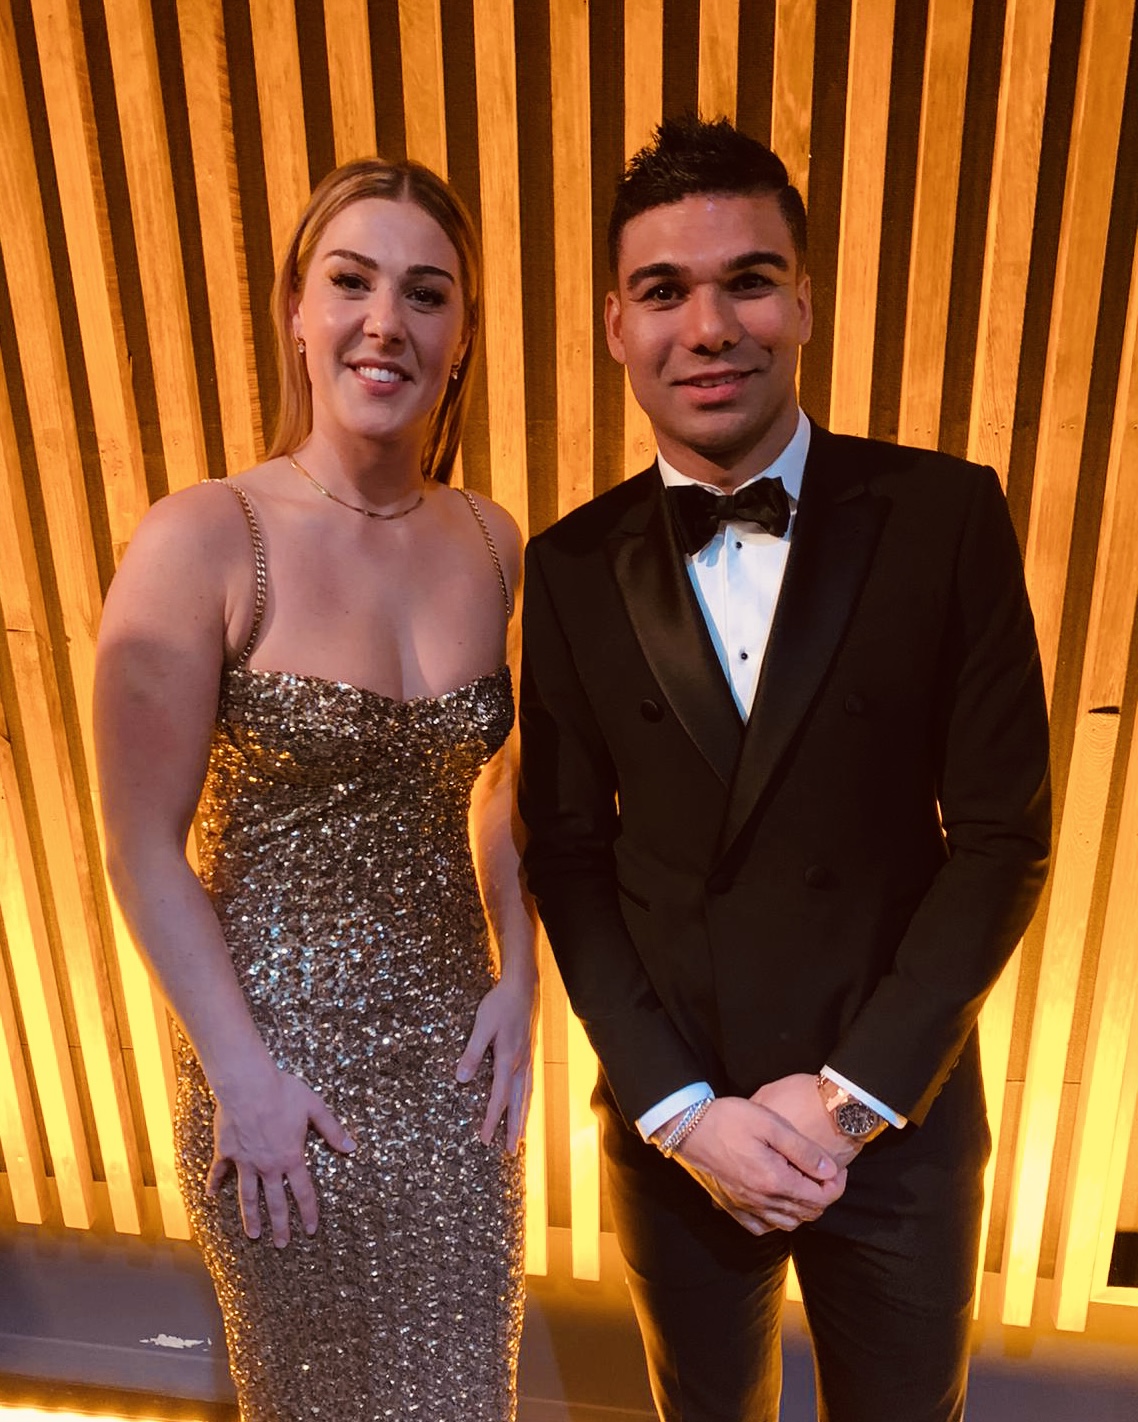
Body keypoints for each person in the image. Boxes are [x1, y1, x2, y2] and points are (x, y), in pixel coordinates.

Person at [519, 115, 1050, 1422]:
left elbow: (1001, 838)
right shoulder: (568, 565)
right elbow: (568, 856)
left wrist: (848, 1101)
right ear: (615, 325)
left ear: (802, 301)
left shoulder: (944, 515)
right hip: (680, 1129)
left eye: (746, 281)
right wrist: (678, 1107)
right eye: (663, 291)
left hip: (896, 1116)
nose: (708, 327)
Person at [95, 157, 538, 1422]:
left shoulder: (495, 541)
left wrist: (522, 975)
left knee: (464, 1397)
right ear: (297, 308)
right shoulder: (203, 536)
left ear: (461, 334)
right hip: (277, 1078)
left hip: (455, 1076)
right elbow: (139, 845)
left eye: (425, 293)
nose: (385, 321)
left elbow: (506, 785)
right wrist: (241, 1079)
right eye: (351, 282)